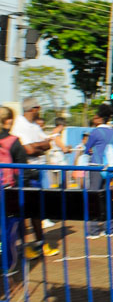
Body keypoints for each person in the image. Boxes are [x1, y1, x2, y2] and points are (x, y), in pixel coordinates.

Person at [11, 98, 56, 257]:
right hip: (25, 173)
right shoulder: (20, 125)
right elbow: (28, 150)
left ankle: (38, 244)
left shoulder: (35, 125)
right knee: (24, 211)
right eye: (38, 106)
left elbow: (47, 144)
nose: (40, 109)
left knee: (36, 210)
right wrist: (39, 146)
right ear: (33, 109)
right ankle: (22, 246)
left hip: (37, 171)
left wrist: (38, 146)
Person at [84, 104, 113, 239]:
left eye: (95, 116)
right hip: (110, 166)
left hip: (96, 165)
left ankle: (94, 230)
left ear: (100, 118)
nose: (94, 118)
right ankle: (109, 228)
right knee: (107, 196)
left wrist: (88, 149)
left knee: (94, 196)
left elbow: (87, 147)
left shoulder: (95, 132)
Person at [0, 106, 29, 272]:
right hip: (7, 192)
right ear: (8, 121)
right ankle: (7, 269)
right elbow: (22, 170)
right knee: (7, 233)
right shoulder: (13, 142)